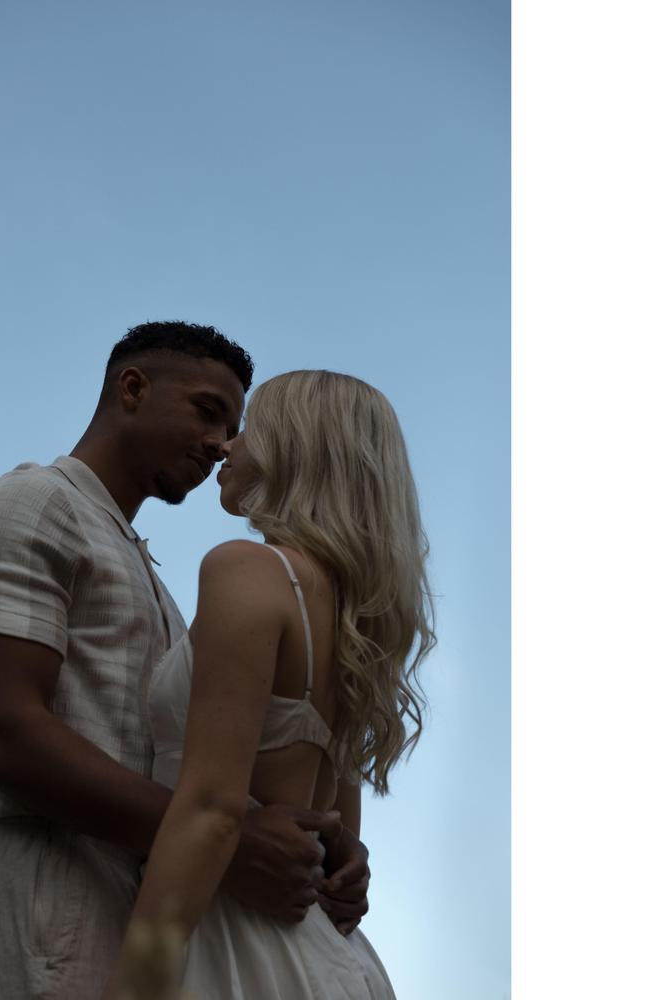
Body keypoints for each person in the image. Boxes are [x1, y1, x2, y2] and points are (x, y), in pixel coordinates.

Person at [0, 325, 374, 1000]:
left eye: (235, 428)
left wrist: (321, 847)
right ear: (131, 388)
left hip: (147, 897)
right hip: (40, 887)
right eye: (206, 411)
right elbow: (2, 733)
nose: (221, 442)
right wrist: (229, 839)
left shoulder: (158, 580)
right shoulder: (32, 503)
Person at [104, 370, 436, 1000]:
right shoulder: (355, 623)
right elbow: (335, 838)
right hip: (327, 958)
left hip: (232, 947)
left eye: (250, 428)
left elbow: (210, 811)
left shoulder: (248, 570)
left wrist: (137, 982)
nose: (226, 445)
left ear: (297, 446)